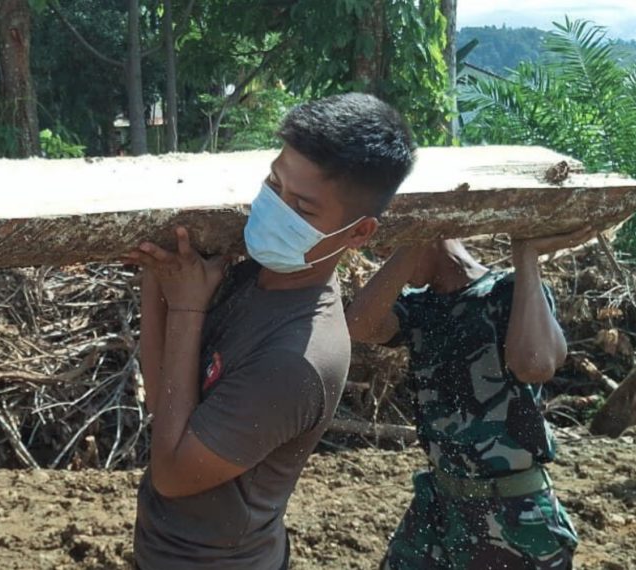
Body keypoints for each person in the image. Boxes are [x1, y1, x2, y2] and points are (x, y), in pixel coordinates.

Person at [123, 93, 416, 570]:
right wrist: (157, 277)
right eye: (273, 183)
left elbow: (173, 474)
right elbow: (165, 402)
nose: (276, 209)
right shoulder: (249, 279)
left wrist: (186, 308)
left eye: (301, 206)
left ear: (359, 233)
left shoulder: (297, 359)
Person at [346, 233, 592, 569]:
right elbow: (358, 326)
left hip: (512, 510)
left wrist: (526, 255)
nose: (384, 255)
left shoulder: (507, 290)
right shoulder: (420, 305)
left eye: (390, 243)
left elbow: (535, 365)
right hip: (439, 503)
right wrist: (413, 239)